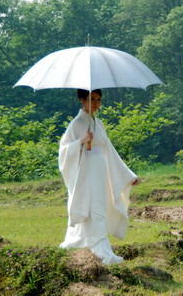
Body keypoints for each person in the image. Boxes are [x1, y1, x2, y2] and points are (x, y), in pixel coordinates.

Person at [58, 89, 139, 264]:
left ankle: (100, 245)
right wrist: (80, 141)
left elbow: (110, 151)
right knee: (90, 204)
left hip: (99, 170)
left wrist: (128, 176)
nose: (96, 103)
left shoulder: (98, 123)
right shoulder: (77, 123)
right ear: (82, 100)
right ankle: (94, 245)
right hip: (85, 172)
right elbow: (64, 151)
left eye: (99, 99)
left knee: (99, 204)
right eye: (92, 99)